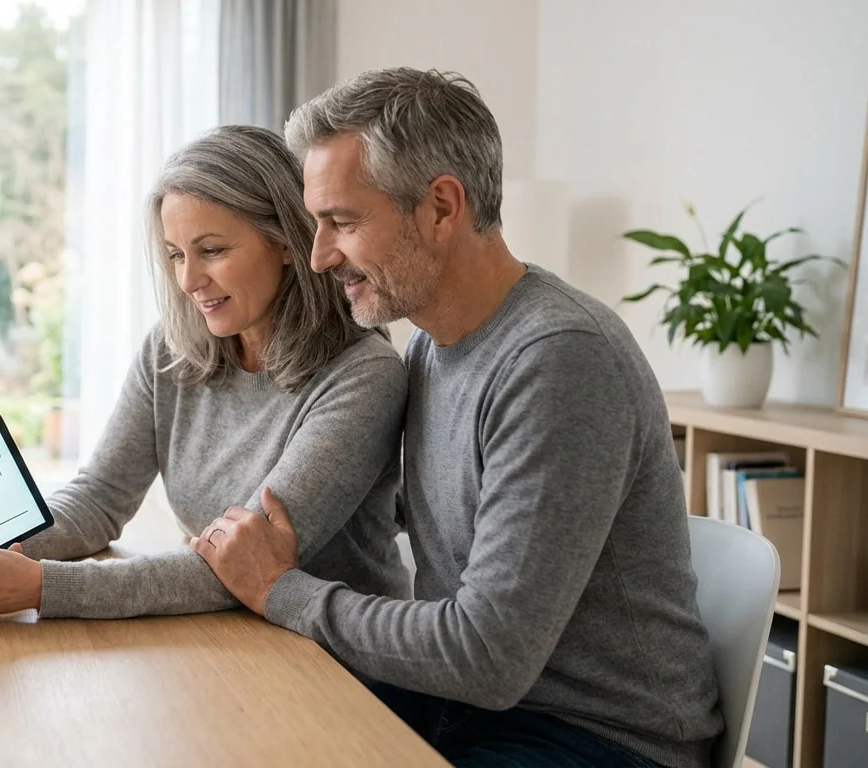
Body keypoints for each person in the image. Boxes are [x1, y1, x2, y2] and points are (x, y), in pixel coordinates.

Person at [193, 69, 724, 768]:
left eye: (343, 222)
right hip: (471, 710)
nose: (320, 257)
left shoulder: (558, 360)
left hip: (595, 736)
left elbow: (486, 656)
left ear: (441, 207)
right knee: (240, 726)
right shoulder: (431, 355)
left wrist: (280, 589)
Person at [0, 124, 410, 622]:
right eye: (176, 255)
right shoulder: (174, 350)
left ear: (286, 240)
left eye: (212, 250)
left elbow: (242, 569)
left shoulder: (362, 377)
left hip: (333, 666)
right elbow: (101, 497)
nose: (189, 281)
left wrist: (41, 587)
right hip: (226, 639)